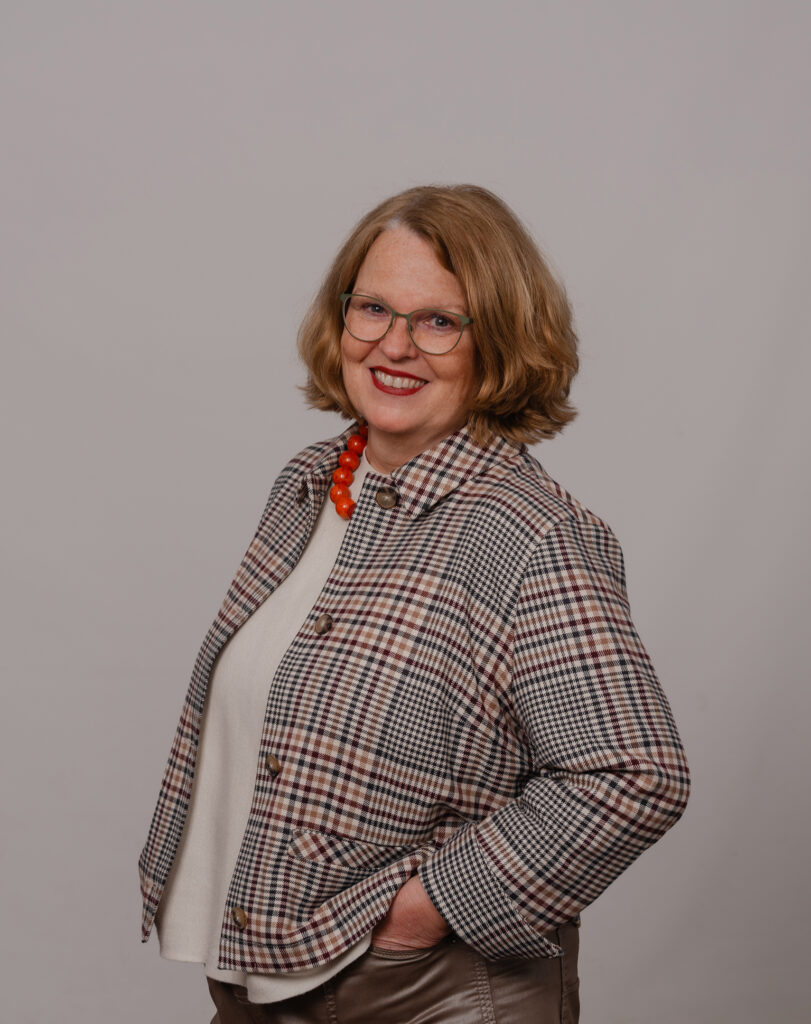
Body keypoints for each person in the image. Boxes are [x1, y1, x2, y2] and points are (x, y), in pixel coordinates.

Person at [139, 184, 690, 1023]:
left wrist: (424, 909)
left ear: (497, 341)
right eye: (372, 309)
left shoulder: (529, 535)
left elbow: (632, 776)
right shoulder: (307, 485)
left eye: (438, 321)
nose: (394, 345)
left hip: (425, 995)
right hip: (264, 981)